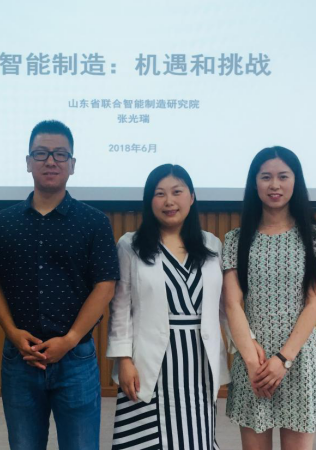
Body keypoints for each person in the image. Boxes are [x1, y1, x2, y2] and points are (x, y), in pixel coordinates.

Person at [0, 120, 120, 450]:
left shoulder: (94, 222)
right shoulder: (3, 223)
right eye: (41, 153)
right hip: (21, 358)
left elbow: (105, 286)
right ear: (28, 162)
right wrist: (12, 332)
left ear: (72, 164)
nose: (50, 161)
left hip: (76, 360)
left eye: (60, 154)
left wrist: (70, 339)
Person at [107, 164, 231, 450]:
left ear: (192, 197)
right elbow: (120, 307)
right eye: (159, 193)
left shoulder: (211, 245)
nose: (169, 201)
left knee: (196, 436)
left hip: (198, 360)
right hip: (149, 360)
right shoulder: (130, 245)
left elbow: (225, 306)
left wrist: (242, 348)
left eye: (177, 192)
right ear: (149, 201)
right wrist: (123, 359)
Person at [223, 146, 316, 451]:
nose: (274, 185)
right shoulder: (235, 239)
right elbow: (232, 303)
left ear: (295, 181)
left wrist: (284, 359)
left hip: (298, 358)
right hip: (254, 361)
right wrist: (252, 361)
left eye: (283, 176)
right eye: (266, 177)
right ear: (255, 183)